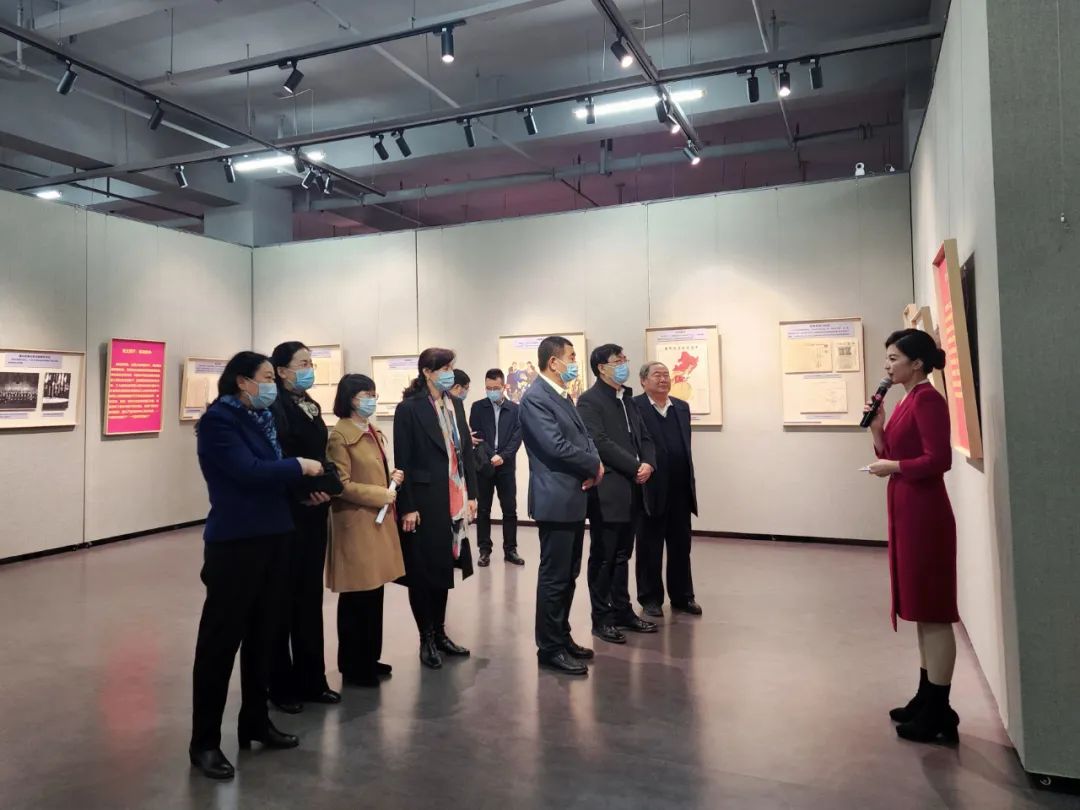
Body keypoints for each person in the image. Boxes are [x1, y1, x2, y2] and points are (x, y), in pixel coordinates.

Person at [190, 351, 325, 780]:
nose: (272, 384)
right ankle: (205, 742)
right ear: (242, 381)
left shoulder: (264, 419)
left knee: (264, 637)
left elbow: (270, 476)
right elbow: (247, 472)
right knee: (220, 645)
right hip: (236, 544)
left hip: (276, 537)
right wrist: (298, 467)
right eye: (266, 376)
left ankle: (255, 720)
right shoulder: (219, 422)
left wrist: (305, 492)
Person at [865, 329, 959, 744]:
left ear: (916, 363)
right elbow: (893, 455)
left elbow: (939, 460)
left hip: (926, 514)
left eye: (893, 358)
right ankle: (926, 696)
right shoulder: (907, 400)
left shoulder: (928, 400)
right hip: (907, 510)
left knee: (934, 611)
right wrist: (877, 430)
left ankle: (940, 709)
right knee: (922, 608)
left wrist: (896, 468)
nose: (887, 366)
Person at [519, 336, 603, 676]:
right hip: (555, 498)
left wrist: (594, 462)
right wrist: (593, 465)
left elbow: (583, 438)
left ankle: (562, 636)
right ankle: (549, 648)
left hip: (572, 497)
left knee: (569, 574)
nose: (574, 362)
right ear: (553, 362)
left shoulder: (562, 395)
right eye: (570, 356)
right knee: (554, 577)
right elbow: (555, 446)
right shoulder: (535, 398)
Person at [394, 348, 478, 669]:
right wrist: (407, 506)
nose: (449, 373)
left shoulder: (455, 403)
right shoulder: (409, 408)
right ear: (427, 372)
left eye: (451, 367)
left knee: (443, 568)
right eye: (443, 368)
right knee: (423, 571)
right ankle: (426, 637)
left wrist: (472, 495)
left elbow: (465, 451)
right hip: (424, 499)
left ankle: (441, 633)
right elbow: (403, 459)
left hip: (453, 498)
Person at [267, 342, 340, 713]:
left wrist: (325, 486)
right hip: (288, 512)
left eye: (311, 362)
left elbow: (318, 454)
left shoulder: (309, 403)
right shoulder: (274, 407)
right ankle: (280, 686)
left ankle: (313, 679)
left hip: (314, 513)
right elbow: (277, 457)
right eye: (302, 363)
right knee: (282, 600)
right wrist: (303, 492)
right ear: (281, 370)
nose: (309, 369)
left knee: (310, 599)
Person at [326, 374, 406, 688]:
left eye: (373, 393)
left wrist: (390, 478)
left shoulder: (371, 430)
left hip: (376, 521)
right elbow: (340, 485)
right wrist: (379, 494)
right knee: (356, 598)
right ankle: (353, 665)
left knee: (374, 595)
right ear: (350, 398)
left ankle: (370, 658)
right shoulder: (340, 436)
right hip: (356, 522)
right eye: (365, 394)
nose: (371, 399)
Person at [577, 344, 657, 644]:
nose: (624, 364)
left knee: (623, 555)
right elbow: (599, 441)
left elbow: (645, 437)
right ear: (602, 368)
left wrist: (648, 463)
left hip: (634, 488)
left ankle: (623, 611)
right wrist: (635, 466)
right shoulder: (589, 401)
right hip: (609, 489)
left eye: (625, 359)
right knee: (604, 556)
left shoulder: (628, 400)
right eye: (618, 360)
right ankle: (601, 618)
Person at [634, 361, 702, 617]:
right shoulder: (634, 407)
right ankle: (650, 599)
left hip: (680, 488)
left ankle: (683, 596)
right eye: (657, 375)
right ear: (643, 381)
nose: (663, 379)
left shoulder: (681, 407)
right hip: (650, 487)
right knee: (649, 546)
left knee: (681, 545)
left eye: (666, 375)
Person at [469, 368, 524, 568]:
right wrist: (491, 455)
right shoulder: (478, 407)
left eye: (495, 387)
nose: (492, 391)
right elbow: (477, 436)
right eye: (488, 388)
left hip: (506, 466)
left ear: (504, 387)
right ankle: (484, 550)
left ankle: (510, 550)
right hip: (484, 465)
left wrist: (503, 456)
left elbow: (517, 436)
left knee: (509, 509)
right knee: (483, 509)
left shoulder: (515, 409)